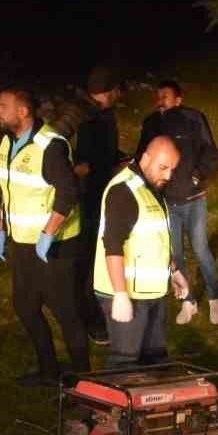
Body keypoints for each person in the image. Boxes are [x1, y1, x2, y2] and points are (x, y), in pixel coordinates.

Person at [0, 87, 90, 388]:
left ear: (23, 111)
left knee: (65, 312)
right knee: (25, 306)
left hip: (56, 247)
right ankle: (49, 371)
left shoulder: (50, 146)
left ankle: (85, 384)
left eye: (2, 106)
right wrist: (1, 229)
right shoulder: (7, 143)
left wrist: (48, 234)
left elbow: (68, 192)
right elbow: (10, 191)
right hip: (23, 243)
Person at [136, 79, 218, 325]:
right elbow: (142, 156)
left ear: (178, 99)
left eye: (166, 95)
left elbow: (210, 152)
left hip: (194, 199)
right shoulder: (151, 124)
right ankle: (188, 302)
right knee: (175, 254)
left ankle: (215, 298)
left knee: (201, 250)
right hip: (165, 203)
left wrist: (198, 175)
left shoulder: (193, 118)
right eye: (158, 95)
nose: (160, 98)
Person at [94, 135, 182, 368]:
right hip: (127, 294)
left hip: (152, 293)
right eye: (163, 167)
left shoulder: (150, 188)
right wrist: (120, 295)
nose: (168, 176)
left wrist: (173, 271)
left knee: (155, 360)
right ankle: (116, 404)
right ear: (145, 158)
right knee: (125, 361)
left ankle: (151, 402)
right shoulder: (124, 191)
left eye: (172, 169)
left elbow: (155, 239)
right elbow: (112, 245)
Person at [74, 64, 124, 344]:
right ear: (111, 91)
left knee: (97, 258)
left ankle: (94, 314)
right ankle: (90, 319)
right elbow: (86, 161)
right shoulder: (91, 118)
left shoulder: (105, 115)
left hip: (101, 195)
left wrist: (119, 158)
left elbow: (103, 152)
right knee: (90, 260)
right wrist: (107, 165)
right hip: (91, 200)